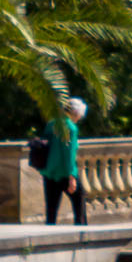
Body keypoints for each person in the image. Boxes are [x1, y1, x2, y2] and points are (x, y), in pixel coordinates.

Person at [41, 97, 87, 227]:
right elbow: (69, 154)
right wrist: (72, 176)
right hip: (65, 172)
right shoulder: (71, 128)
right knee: (79, 200)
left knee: (51, 208)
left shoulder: (51, 124)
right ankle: (82, 230)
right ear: (76, 113)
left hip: (50, 171)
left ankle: (48, 234)